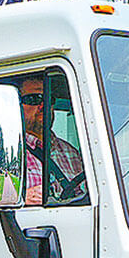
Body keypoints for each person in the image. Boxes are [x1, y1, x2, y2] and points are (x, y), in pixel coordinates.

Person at [20, 75, 83, 205]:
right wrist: (21, 199)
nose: (43, 106)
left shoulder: (70, 152)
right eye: (34, 99)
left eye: (49, 99)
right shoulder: (3, 150)